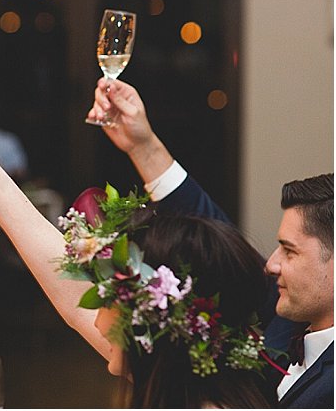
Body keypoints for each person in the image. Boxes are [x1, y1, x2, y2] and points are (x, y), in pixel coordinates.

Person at [0, 98, 278, 406]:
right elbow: (74, 301)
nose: (98, 320)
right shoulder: (185, 379)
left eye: (111, 299)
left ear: (156, 327)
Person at [86, 77, 333, 408]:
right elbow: (218, 245)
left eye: (290, 251)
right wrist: (142, 146)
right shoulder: (291, 313)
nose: (271, 264)